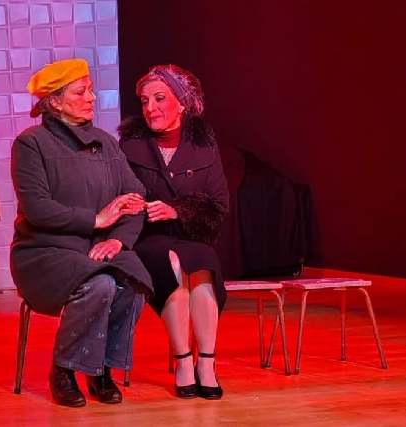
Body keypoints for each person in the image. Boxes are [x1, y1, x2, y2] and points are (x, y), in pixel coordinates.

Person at [10, 58, 153, 408]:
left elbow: (135, 198)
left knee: (134, 283)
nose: (91, 98)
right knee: (100, 285)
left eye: (90, 90)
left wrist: (117, 239)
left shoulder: (106, 143)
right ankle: (63, 370)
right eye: (80, 92)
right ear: (55, 102)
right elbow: (38, 209)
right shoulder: (31, 144)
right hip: (44, 251)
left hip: (100, 248)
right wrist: (97, 220)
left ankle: (99, 367)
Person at [118, 64, 230, 400]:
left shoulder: (204, 147)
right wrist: (139, 207)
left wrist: (178, 210)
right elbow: (119, 196)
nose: (150, 108)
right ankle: (183, 362)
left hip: (188, 235)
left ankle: (206, 363)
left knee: (202, 264)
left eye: (159, 99)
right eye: (145, 101)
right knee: (172, 264)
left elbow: (218, 206)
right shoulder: (131, 146)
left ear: (181, 103)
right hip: (147, 239)